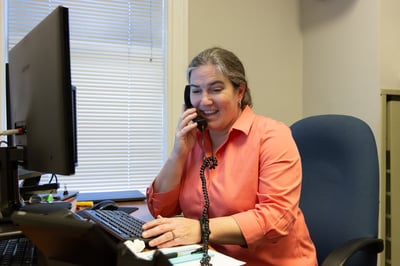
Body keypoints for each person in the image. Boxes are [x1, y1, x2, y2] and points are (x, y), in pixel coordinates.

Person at [142, 47, 317, 265]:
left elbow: (276, 218)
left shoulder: (272, 136)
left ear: (239, 92)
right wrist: (178, 152)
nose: (204, 101)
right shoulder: (194, 140)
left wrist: (201, 229)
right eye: (196, 91)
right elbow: (161, 211)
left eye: (215, 89)